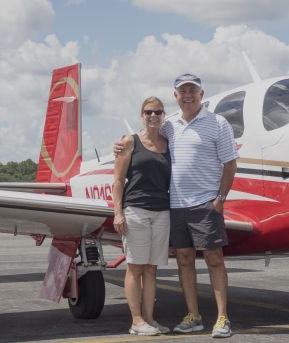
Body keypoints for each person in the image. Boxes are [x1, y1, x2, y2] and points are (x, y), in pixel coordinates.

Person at [115, 73, 238, 338]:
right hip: (176, 206)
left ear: (201, 94)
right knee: (184, 260)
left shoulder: (218, 123)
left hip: (206, 203)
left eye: (193, 90)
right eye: (183, 91)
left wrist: (220, 198)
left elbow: (230, 163)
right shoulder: (169, 125)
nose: (188, 95)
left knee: (214, 259)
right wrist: (119, 145)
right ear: (176, 96)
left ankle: (222, 318)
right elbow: (141, 142)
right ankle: (193, 315)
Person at [112, 96, 172, 336]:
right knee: (135, 268)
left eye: (158, 112)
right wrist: (118, 212)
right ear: (142, 115)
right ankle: (136, 321)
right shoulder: (129, 142)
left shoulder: (168, 144)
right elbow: (117, 180)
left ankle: (149, 319)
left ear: (163, 115)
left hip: (162, 211)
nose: (153, 116)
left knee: (151, 269)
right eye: (148, 112)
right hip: (136, 209)